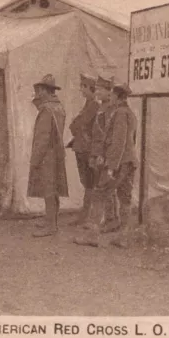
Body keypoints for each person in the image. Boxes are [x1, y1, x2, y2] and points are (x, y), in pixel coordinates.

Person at [73, 75, 118, 247]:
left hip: (104, 155)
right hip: (98, 153)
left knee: (101, 190)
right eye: (96, 88)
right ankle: (111, 220)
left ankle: (93, 232)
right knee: (103, 189)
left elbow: (107, 136)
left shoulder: (109, 110)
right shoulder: (103, 108)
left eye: (100, 89)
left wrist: (102, 155)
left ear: (109, 92)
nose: (97, 91)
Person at [27, 74, 68, 238]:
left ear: (45, 91)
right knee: (54, 188)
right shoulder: (58, 107)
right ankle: (51, 220)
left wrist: (35, 160)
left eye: (39, 89)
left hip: (47, 155)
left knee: (49, 189)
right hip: (56, 153)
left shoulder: (46, 110)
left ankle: (51, 225)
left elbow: (43, 138)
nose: (37, 93)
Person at [103, 83, 139, 248]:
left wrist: (111, 165)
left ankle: (115, 232)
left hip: (121, 162)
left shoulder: (119, 113)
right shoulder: (131, 114)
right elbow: (133, 140)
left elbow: (119, 142)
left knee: (106, 191)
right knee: (125, 196)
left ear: (118, 97)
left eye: (111, 96)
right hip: (129, 160)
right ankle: (124, 235)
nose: (110, 99)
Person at [67, 73, 99, 226]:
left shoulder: (94, 105)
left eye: (83, 87)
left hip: (88, 149)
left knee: (91, 183)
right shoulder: (88, 104)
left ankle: (88, 217)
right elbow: (74, 125)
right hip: (81, 147)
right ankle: (85, 216)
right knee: (87, 183)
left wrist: (77, 125)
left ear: (89, 88)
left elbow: (79, 124)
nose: (81, 90)